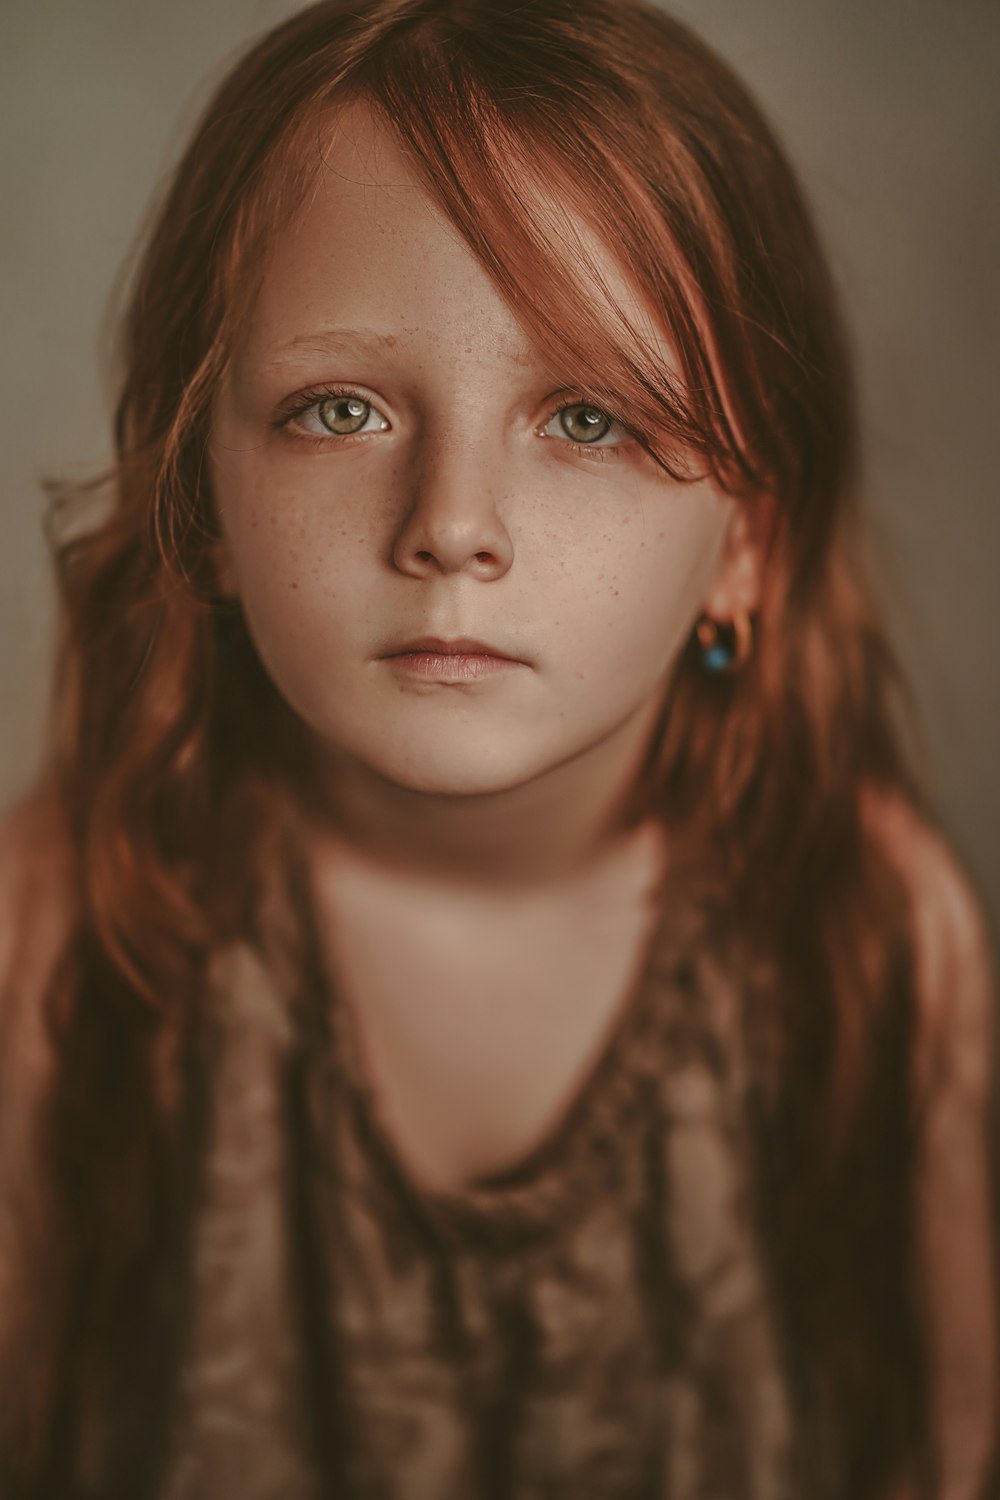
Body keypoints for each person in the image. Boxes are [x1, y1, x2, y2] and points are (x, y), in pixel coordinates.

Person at [0, 0, 996, 1495]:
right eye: (339, 409)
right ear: (199, 508)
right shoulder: (69, 926)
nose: (452, 524)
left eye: (587, 418)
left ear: (748, 551)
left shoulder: (867, 929)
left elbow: (947, 1446)